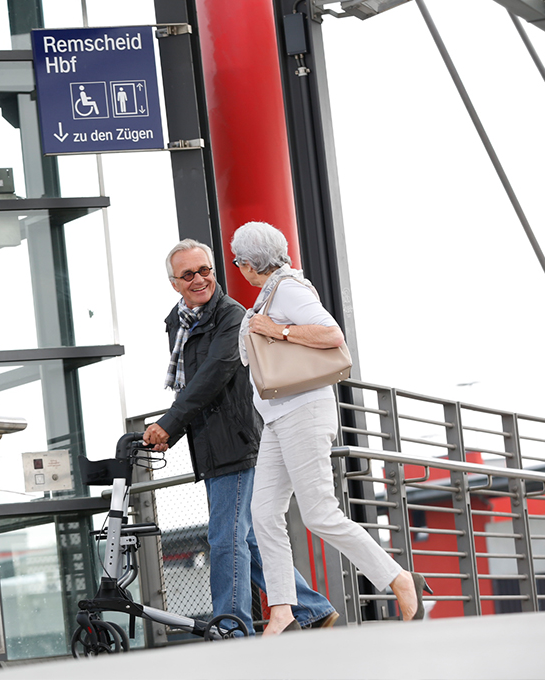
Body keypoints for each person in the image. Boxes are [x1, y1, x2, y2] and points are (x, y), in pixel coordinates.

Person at [232, 221, 430, 635]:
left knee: (320, 512)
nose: (239, 268)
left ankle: (397, 577)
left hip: (303, 411)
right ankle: (283, 610)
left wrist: (280, 330)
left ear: (250, 264)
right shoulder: (269, 294)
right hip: (277, 418)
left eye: (239, 262)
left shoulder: (288, 289)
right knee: (264, 513)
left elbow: (332, 334)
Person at [142, 238, 339, 636]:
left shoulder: (232, 316)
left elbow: (212, 377)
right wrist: (173, 429)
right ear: (174, 283)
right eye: (188, 274)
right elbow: (189, 387)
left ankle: (231, 627)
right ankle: (313, 609)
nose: (200, 279)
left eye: (206, 270)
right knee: (243, 539)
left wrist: (169, 425)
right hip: (210, 444)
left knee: (224, 538)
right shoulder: (178, 322)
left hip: (237, 439)